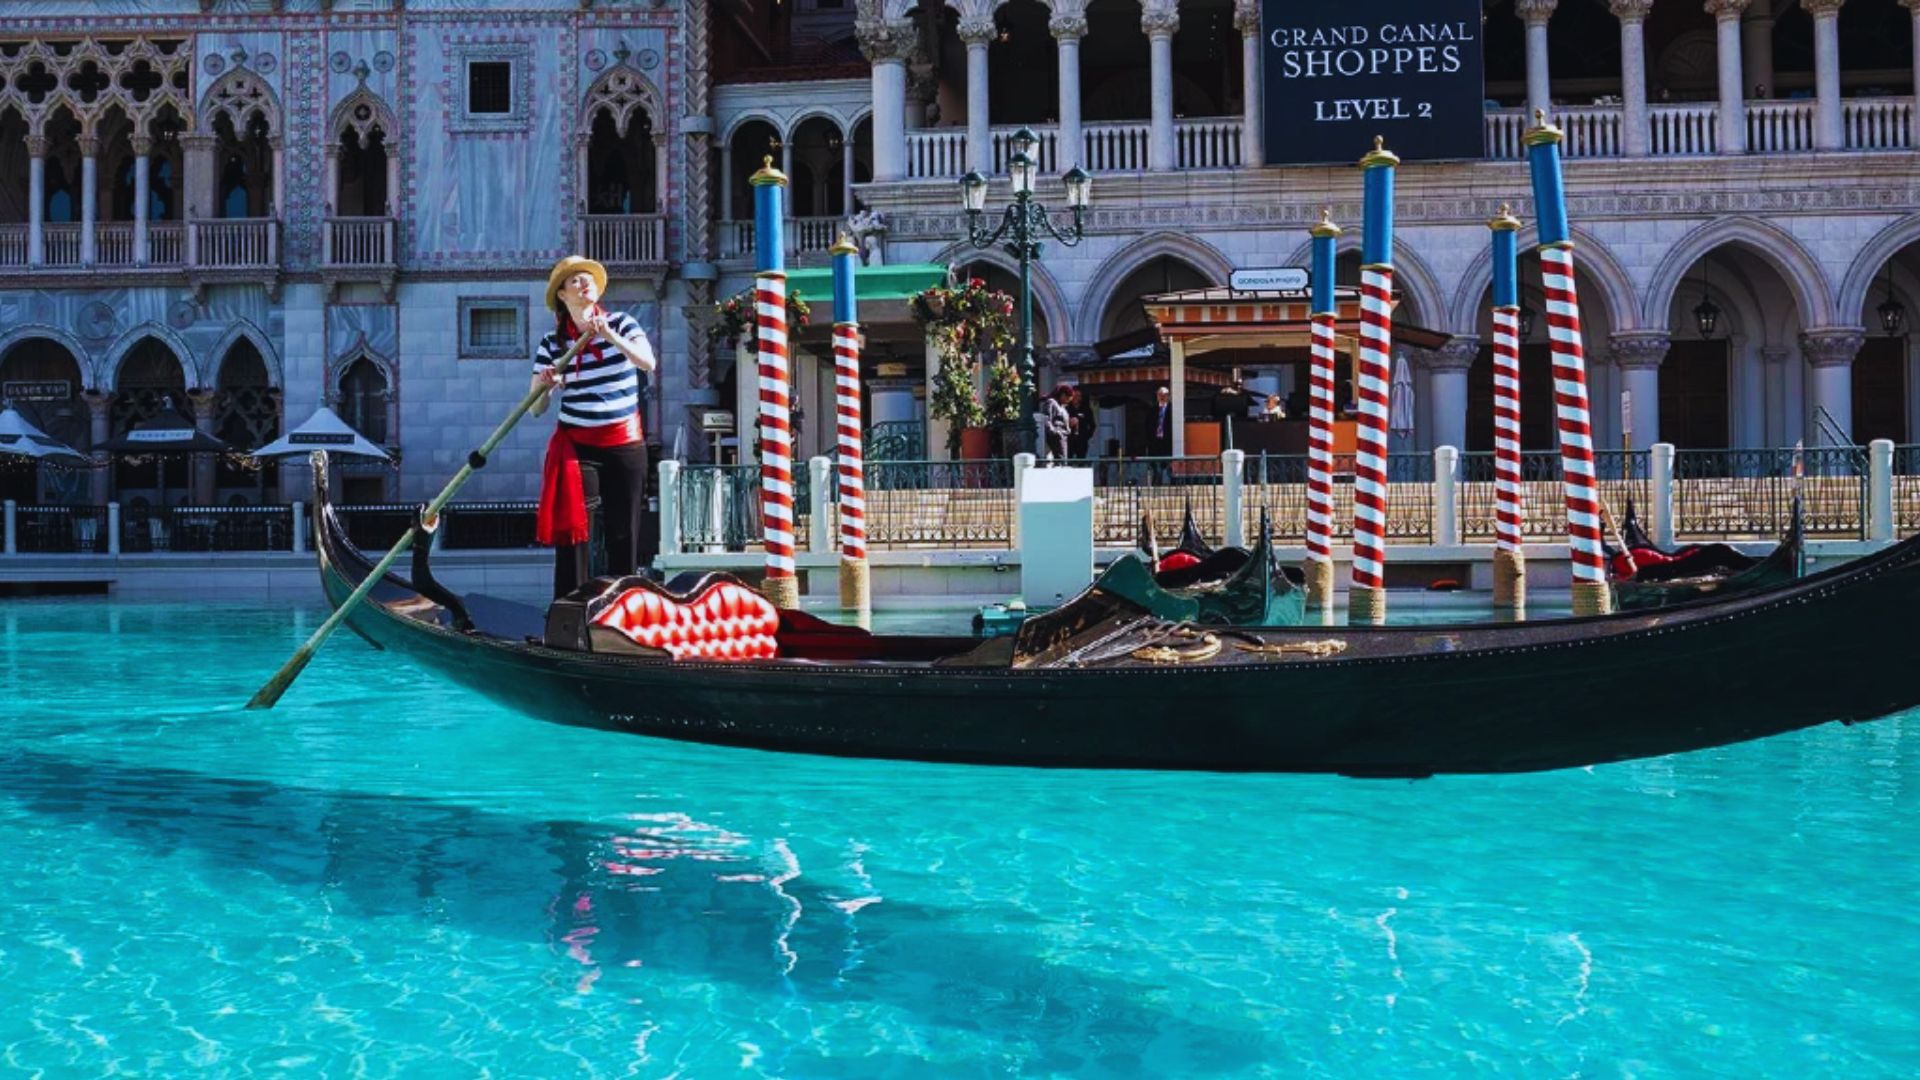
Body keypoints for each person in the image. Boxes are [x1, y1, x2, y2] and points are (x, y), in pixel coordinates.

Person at [532, 255, 658, 599]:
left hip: (625, 443)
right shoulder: (552, 344)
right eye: (574, 280)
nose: (583, 283)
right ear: (561, 295)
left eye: (587, 278)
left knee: (624, 530)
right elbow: (536, 409)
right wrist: (546, 384)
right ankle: (570, 608)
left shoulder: (624, 323)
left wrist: (610, 337)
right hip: (578, 446)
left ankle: (625, 607)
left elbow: (648, 363)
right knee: (576, 530)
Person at [1044, 382, 1074, 463]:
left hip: (1063, 437)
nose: (1068, 402)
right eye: (1068, 399)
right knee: (1061, 460)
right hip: (1057, 437)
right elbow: (1047, 419)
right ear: (1063, 395)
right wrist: (1055, 432)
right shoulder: (1052, 402)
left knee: (1063, 460)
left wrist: (1068, 429)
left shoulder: (1062, 407)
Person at [1066, 385, 1097, 460]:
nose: (1076, 398)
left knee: (1081, 461)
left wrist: (1087, 436)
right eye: (1075, 396)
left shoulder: (1086, 409)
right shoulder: (1066, 408)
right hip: (1069, 440)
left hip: (1082, 440)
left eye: (1079, 396)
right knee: (1068, 461)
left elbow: (1092, 425)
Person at [1148, 385, 1173, 458]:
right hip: (1154, 442)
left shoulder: (1172, 409)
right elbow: (1148, 425)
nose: (1162, 397)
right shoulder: (1152, 410)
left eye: (1164, 395)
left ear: (1168, 396)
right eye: (1160, 395)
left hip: (1167, 442)